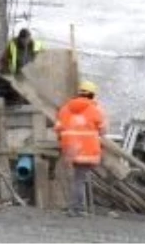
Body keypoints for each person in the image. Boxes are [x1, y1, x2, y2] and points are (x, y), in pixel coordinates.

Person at [55, 81, 107, 217]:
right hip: (88, 151)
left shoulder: (65, 109)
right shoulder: (96, 109)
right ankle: (77, 208)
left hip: (71, 150)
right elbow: (103, 130)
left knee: (78, 178)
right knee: (80, 179)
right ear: (92, 94)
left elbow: (58, 129)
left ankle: (77, 207)